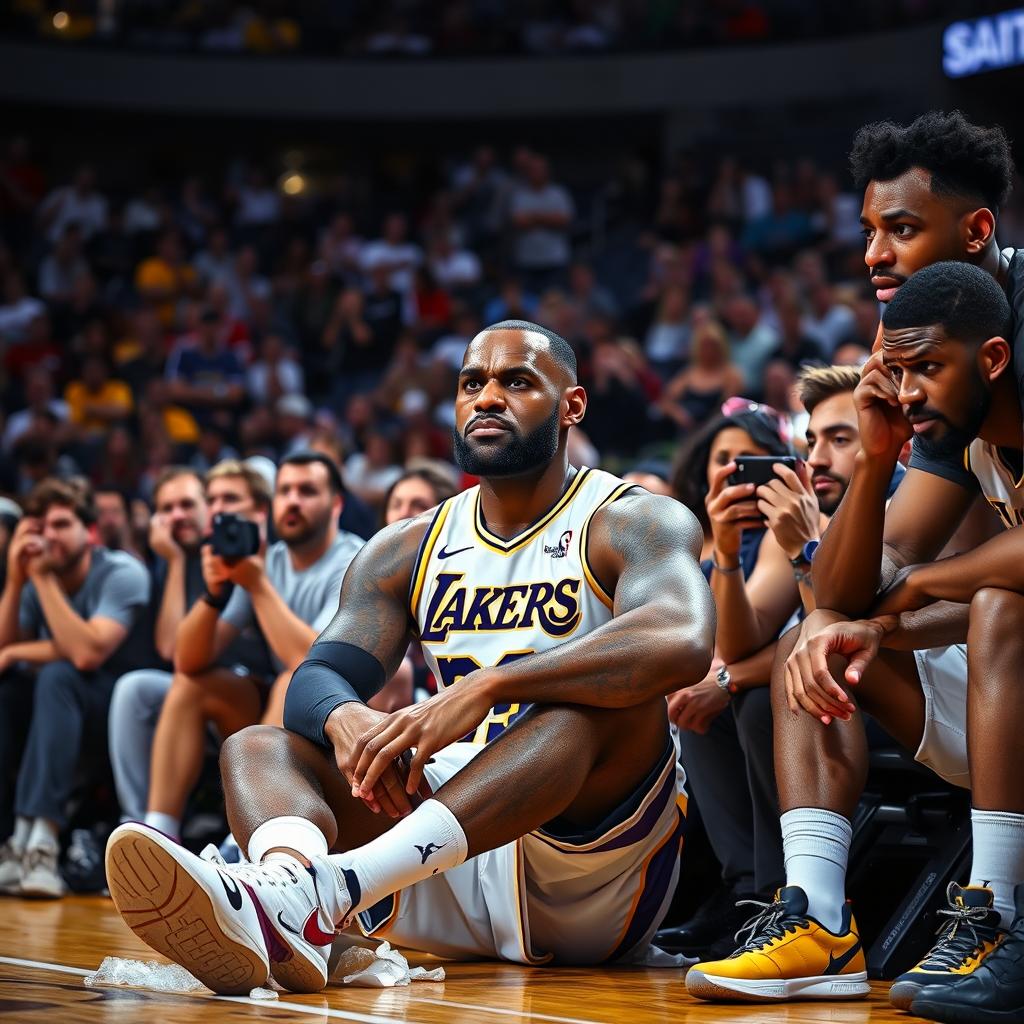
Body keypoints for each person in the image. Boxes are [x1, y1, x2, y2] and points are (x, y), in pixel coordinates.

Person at [105, 318, 715, 995]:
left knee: (585, 709)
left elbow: (681, 640)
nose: (487, 398)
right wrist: (345, 720)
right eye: (471, 384)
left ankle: (328, 892)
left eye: (516, 381)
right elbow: (317, 678)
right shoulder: (407, 545)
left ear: (571, 406)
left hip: (587, 871)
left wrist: (487, 687)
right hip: (430, 844)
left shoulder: (629, 518)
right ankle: (294, 904)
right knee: (257, 746)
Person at [687, 261, 1024, 1009]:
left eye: (926, 369)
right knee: (817, 636)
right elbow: (820, 612)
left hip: (996, 681)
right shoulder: (956, 446)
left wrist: (896, 592)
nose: (908, 395)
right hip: (988, 699)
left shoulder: (950, 465)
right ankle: (815, 917)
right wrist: (868, 623)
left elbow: (977, 597)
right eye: (897, 374)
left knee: (987, 603)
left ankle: (999, 910)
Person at [141, 453, 363, 843]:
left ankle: (244, 841)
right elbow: (188, 659)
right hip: (285, 716)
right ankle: (159, 833)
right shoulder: (268, 560)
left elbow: (315, 661)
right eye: (285, 492)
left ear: (336, 505)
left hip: (344, 715)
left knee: (292, 679)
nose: (293, 501)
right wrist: (213, 595)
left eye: (307, 491)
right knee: (192, 686)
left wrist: (258, 586)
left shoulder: (356, 561)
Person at [0, 479, 149, 897]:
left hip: (118, 717)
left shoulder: (123, 571)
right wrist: (15, 581)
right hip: (57, 709)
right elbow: (2, 651)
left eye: (62, 524)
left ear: (92, 532)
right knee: (9, 692)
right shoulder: (32, 580)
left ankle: (42, 844)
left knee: (59, 675)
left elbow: (87, 653)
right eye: (42, 527)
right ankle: (16, 842)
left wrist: (41, 581)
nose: (48, 537)